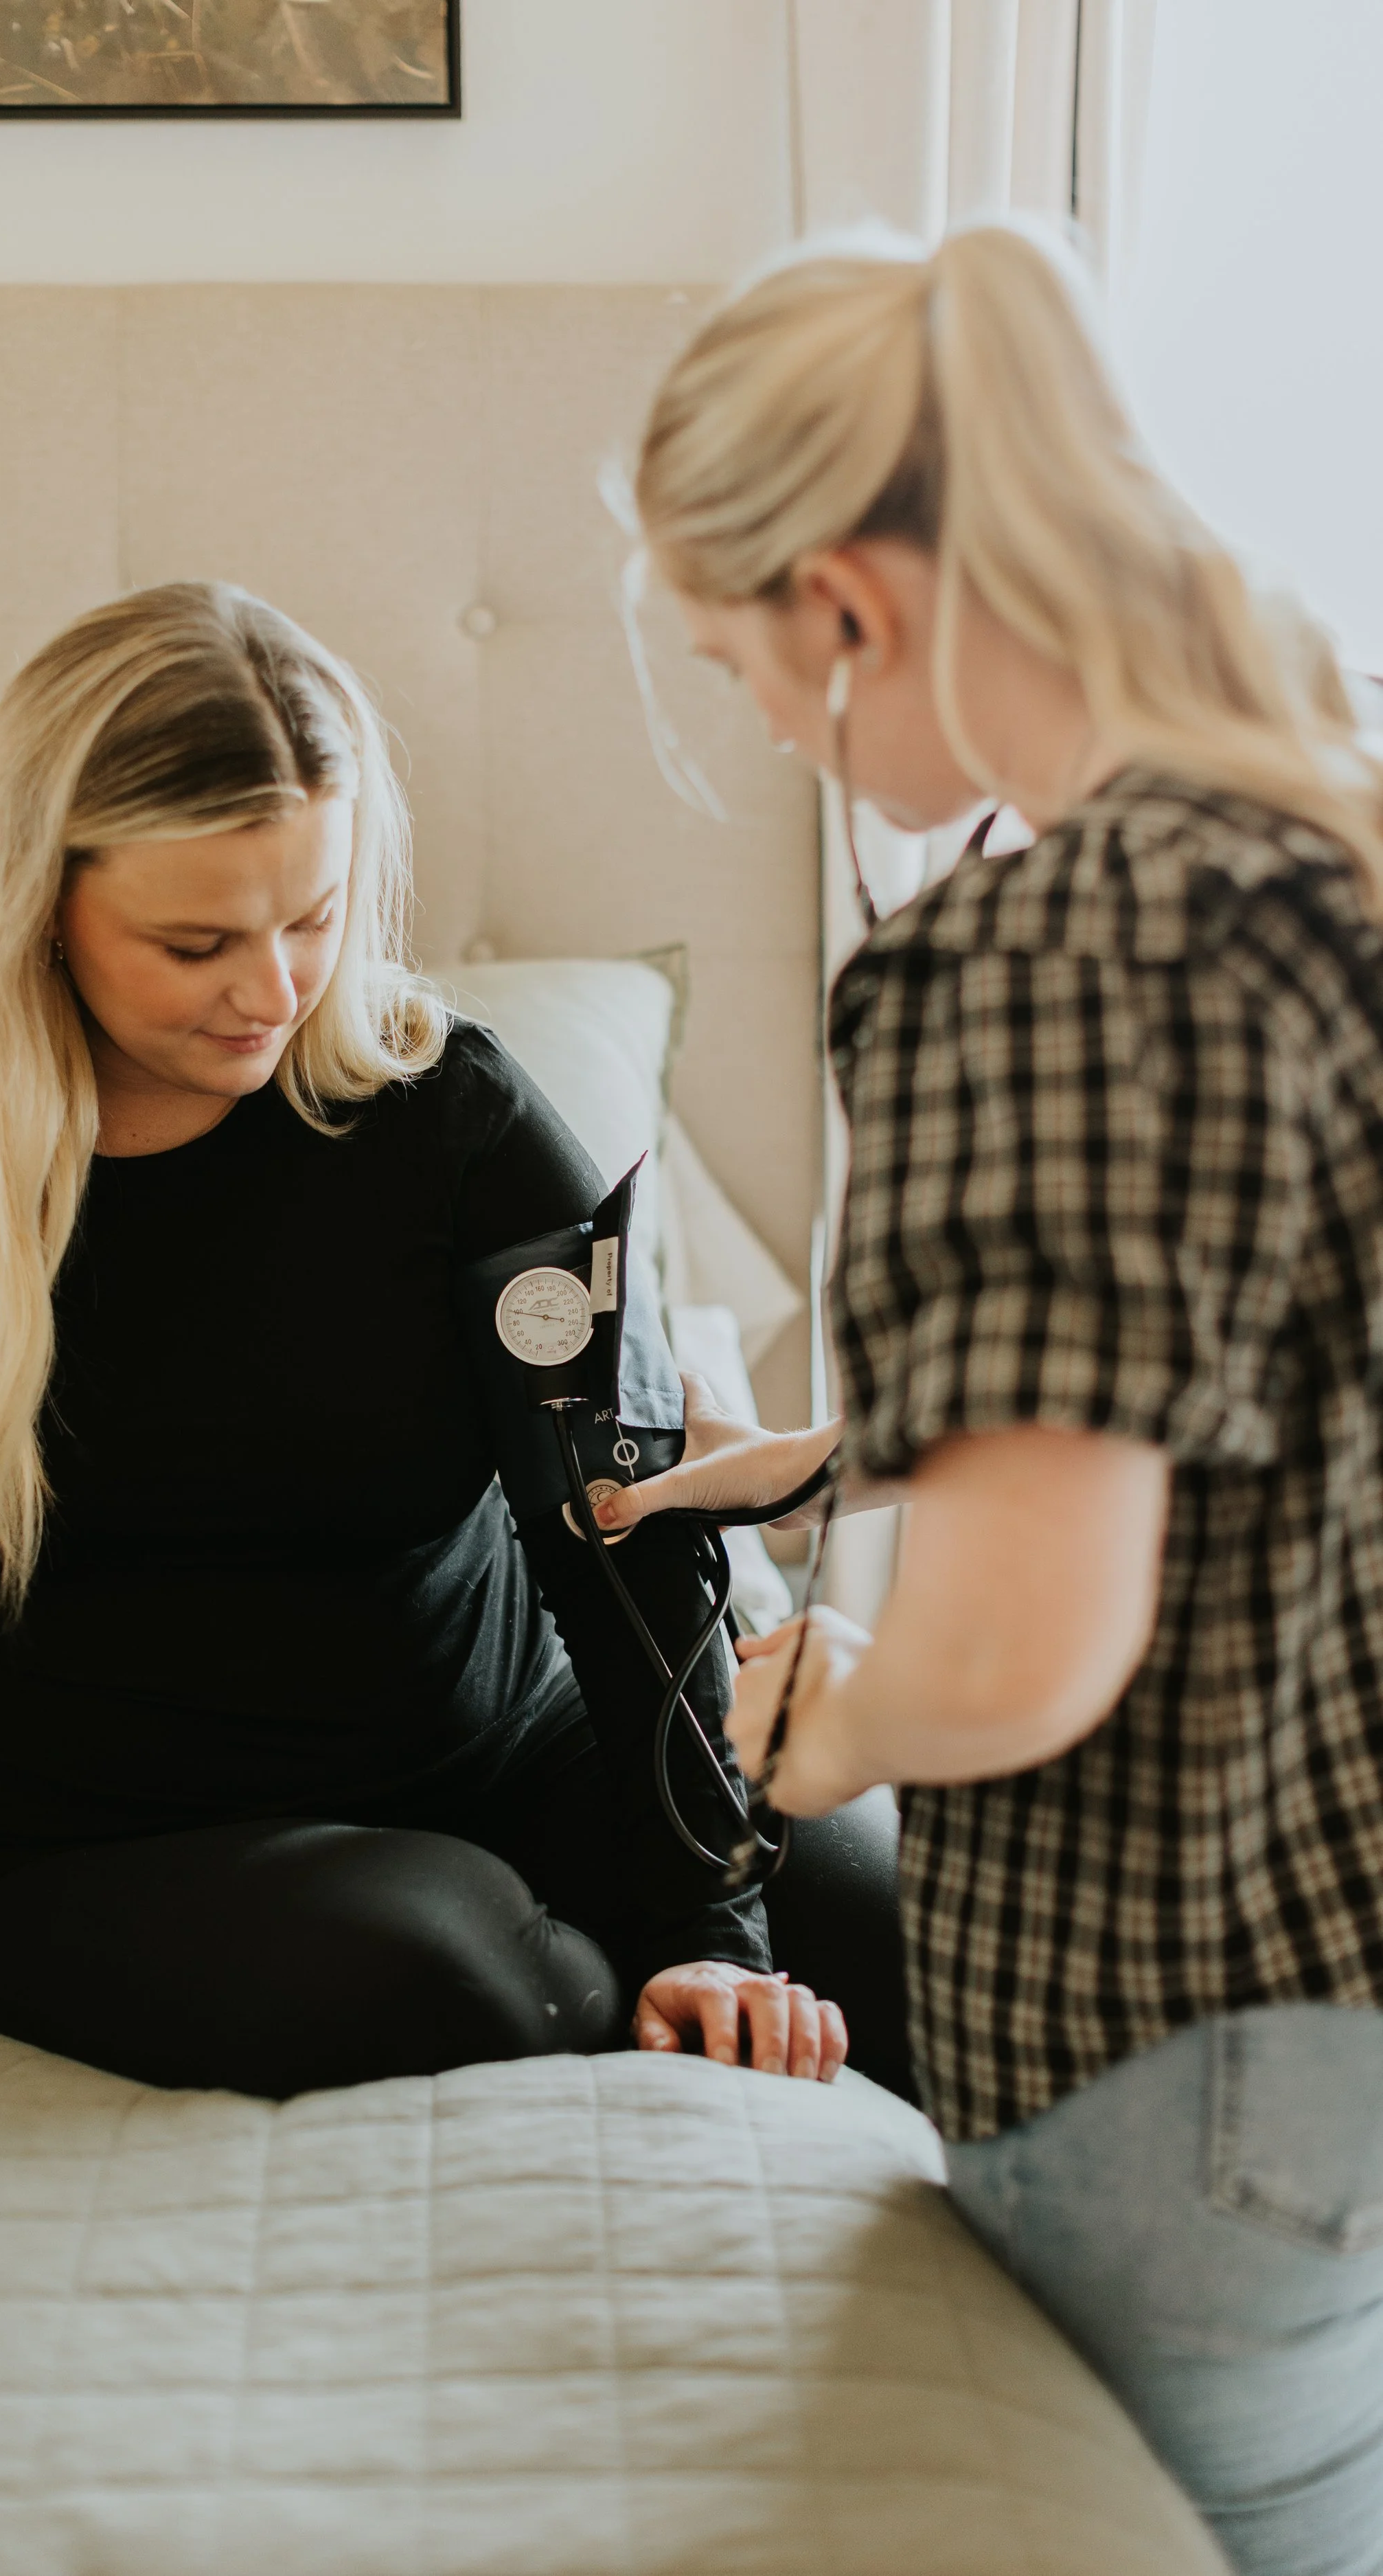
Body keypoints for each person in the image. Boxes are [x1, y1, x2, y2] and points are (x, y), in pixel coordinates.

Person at [597, 221, 1383, 2576]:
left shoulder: (1036, 956)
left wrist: (812, 1726)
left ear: (851, 602)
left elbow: (1030, 1652)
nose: (764, 725)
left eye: (745, 662)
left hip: (1190, 2023)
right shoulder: (1320, 852)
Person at [0, 582, 856, 2102]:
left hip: (519, 1759)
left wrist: (718, 1927)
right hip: (115, 1858)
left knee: (931, 1897)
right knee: (454, 1972)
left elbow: (614, 1534)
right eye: (196, 942)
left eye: (312, 918)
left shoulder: (449, 1110)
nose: (276, 990)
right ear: (39, 899)